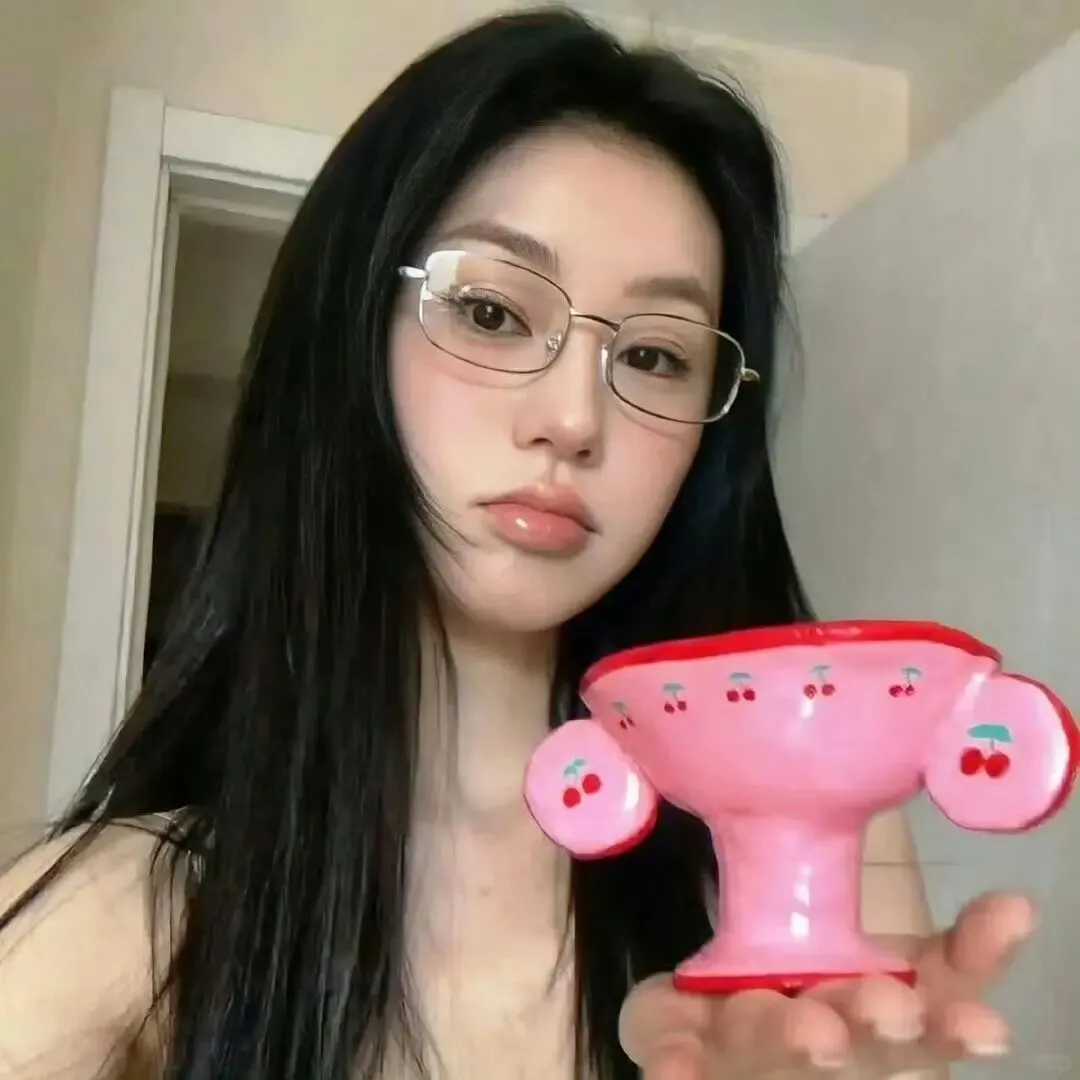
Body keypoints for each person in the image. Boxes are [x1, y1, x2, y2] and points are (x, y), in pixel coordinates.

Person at [0, 8, 1033, 1079]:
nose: (574, 419)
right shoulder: (120, 921)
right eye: (491, 312)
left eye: (656, 356)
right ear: (351, 328)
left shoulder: (812, 858)